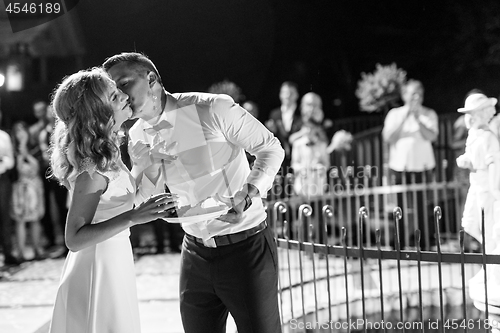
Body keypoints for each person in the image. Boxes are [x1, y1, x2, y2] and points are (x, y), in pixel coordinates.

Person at [103, 52, 285, 333]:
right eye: (114, 90)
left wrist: (248, 194)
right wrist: (143, 169)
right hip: (194, 251)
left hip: (246, 248)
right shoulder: (137, 135)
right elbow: (141, 199)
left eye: (124, 84)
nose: (120, 95)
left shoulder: (213, 108)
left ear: (151, 79)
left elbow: (270, 148)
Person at [48, 67, 177, 333]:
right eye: (115, 96)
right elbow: (74, 238)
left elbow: (126, 202)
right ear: (99, 111)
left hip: (115, 257)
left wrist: (146, 166)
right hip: (97, 265)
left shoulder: (109, 154)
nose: (125, 98)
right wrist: (134, 217)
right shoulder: (91, 168)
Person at [382, 79, 439, 249]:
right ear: (404, 95)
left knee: (422, 205)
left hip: (423, 166)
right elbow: (388, 137)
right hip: (400, 166)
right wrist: (406, 117)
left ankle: (424, 244)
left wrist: (417, 119)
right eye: (413, 93)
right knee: (399, 206)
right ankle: (399, 243)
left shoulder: (429, 113)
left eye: (419, 93)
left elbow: (432, 136)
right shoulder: (394, 114)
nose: (417, 96)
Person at [10, 121, 45, 261]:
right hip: (19, 188)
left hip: (35, 186)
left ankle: (37, 250)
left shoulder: (35, 147)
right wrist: (21, 152)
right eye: (17, 131)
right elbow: (17, 170)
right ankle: (20, 252)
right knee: (20, 219)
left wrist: (26, 153)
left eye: (22, 130)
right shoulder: (12, 149)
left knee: (36, 219)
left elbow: (36, 168)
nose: (20, 134)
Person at [265, 81, 302, 172]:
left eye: (291, 93)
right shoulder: (274, 114)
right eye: (285, 93)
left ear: (297, 95)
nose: (288, 96)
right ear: (280, 95)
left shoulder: (301, 113)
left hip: (298, 158)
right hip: (279, 161)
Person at [0, 109, 19, 266]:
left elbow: (10, 160)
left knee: (5, 216)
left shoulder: (4, 137)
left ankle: (8, 252)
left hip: (2, 179)